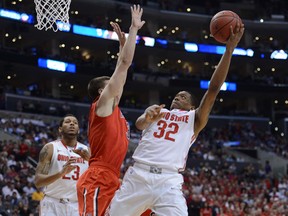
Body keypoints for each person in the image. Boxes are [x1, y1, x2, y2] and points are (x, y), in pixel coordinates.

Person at [108, 23, 245, 216]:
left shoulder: (194, 118)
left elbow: (213, 90)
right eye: (177, 95)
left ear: (191, 106)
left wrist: (229, 50)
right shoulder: (158, 111)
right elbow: (139, 125)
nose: (178, 97)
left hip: (168, 181)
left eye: (183, 96)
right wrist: (147, 115)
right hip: (138, 175)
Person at [76, 4, 145, 216]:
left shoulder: (114, 106)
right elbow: (124, 66)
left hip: (114, 177)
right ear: (101, 89)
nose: (117, 85)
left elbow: (122, 70)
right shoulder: (102, 104)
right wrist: (133, 29)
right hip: (98, 177)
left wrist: (122, 47)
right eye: (111, 82)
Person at [34, 114, 89, 216]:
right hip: (52, 202)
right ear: (60, 129)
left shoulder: (86, 151)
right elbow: (38, 181)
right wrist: (61, 173)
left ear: (78, 130)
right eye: (68, 122)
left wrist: (90, 160)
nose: (72, 124)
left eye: (75, 123)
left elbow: (98, 175)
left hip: (77, 204)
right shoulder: (50, 148)